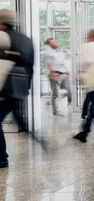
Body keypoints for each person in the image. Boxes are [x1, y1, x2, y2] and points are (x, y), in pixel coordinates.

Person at [0, 9, 35, 168]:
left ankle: (2, 158)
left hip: (3, 86)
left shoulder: (3, 37)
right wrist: (26, 88)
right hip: (18, 88)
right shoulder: (26, 40)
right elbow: (30, 66)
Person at [41, 38, 72, 116]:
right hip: (55, 74)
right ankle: (55, 111)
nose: (56, 43)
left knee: (68, 91)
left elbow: (60, 63)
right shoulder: (48, 52)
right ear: (49, 43)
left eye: (55, 41)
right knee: (55, 94)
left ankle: (67, 102)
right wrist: (52, 72)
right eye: (53, 42)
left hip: (62, 74)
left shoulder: (55, 52)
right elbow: (47, 64)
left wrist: (67, 72)